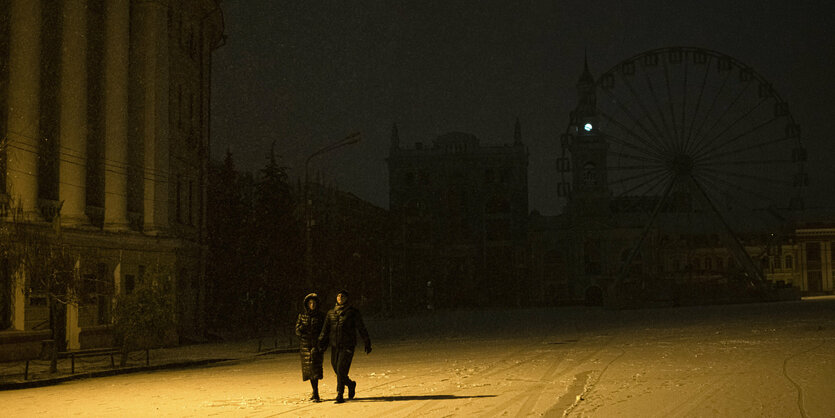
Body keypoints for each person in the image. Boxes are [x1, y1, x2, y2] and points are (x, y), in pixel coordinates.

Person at [318, 289, 372, 403]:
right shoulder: (330, 313)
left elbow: (361, 327)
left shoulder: (353, 312)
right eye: (338, 296)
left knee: (341, 369)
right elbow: (325, 329)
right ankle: (350, 384)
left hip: (348, 345)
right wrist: (321, 341)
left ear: (346, 299)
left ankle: (340, 394)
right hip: (335, 345)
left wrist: (367, 341)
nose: (340, 298)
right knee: (336, 368)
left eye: (342, 296)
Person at [295, 293, 326, 402]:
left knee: (315, 369)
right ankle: (314, 391)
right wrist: (302, 329)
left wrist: (321, 344)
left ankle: (316, 392)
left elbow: (324, 331)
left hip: (316, 346)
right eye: (310, 303)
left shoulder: (321, 316)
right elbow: (297, 331)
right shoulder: (302, 316)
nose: (312, 305)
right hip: (305, 346)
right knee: (309, 370)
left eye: (314, 303)